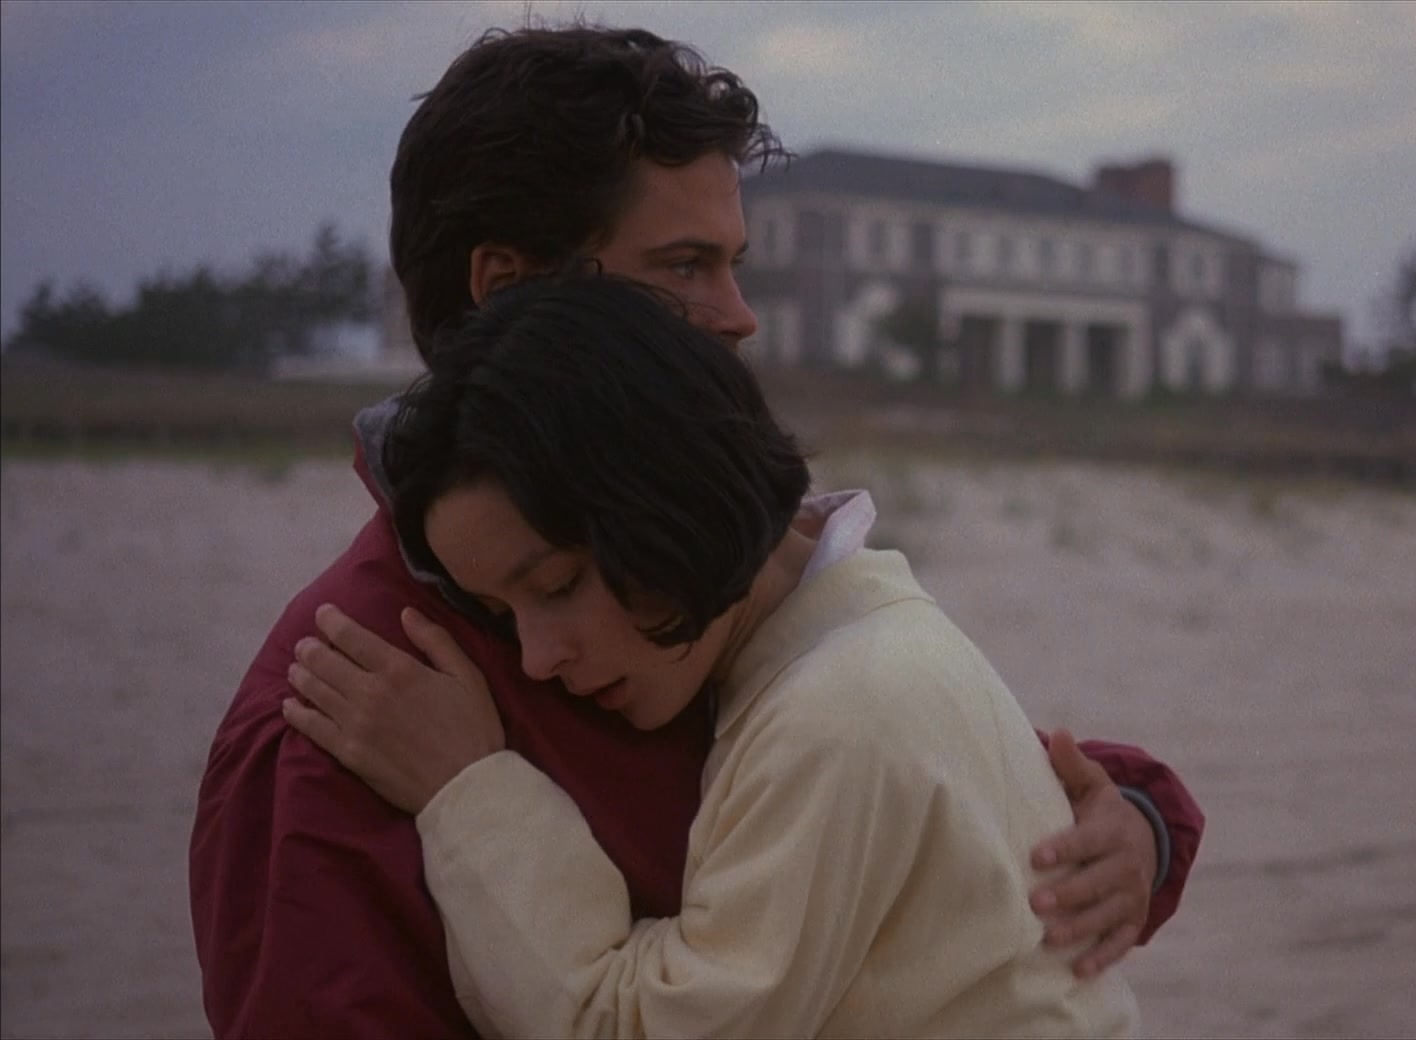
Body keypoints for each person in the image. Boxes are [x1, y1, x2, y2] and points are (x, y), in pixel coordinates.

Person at [189, 23, 1203, 1039]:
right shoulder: (341, 706)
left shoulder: (698, 573)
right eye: (682, 267)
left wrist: (1130, 822)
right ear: (510, 292)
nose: (739, 315)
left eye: (733, 263)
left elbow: (909, 788)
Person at [279, 273, 1142, 1037]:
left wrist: (467, 791)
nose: (536, 659)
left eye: (557, 585)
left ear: (667, 498)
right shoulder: (882, 638)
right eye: (504, 615)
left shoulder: (839, 715)